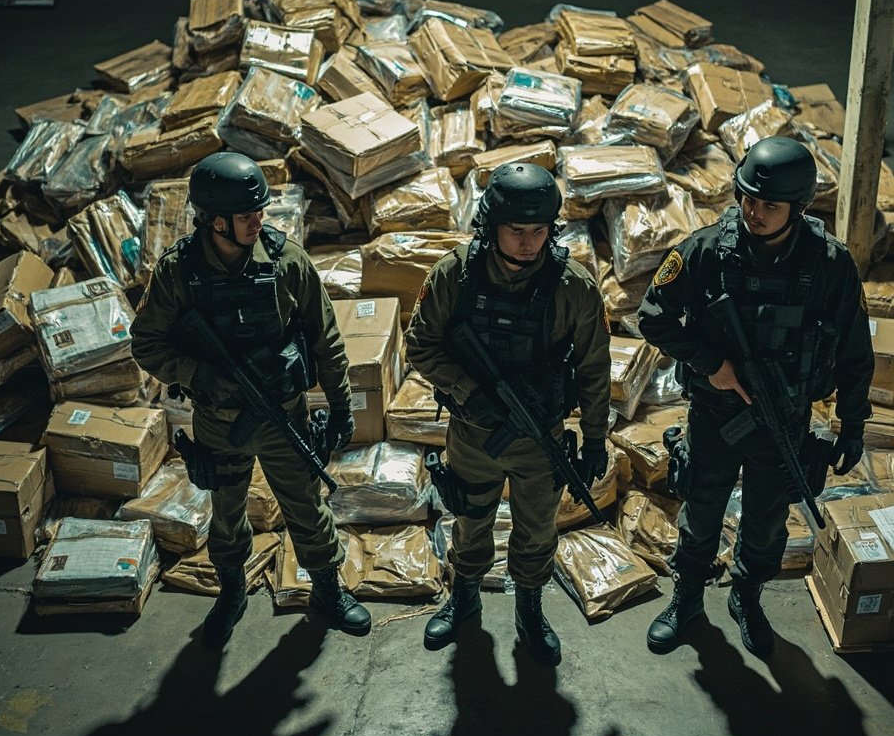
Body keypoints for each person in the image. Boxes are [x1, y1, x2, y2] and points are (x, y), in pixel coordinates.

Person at [638, 136, 873, 657]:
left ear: (798, 207)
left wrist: (852, 424)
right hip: (714, 416)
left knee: (766, 524)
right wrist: (711, 364)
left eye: (770, 205)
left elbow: (856, 353)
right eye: (748, 198)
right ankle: (688, 597)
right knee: (699, 512)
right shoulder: (704, 250)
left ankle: (747, 595)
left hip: (784, 419)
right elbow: (652, 316)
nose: (755, 212)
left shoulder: (830, 265)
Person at [131, 151, 370, 648]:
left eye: (260, 212)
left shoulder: (286, 261)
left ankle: (326, 588)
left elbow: (325, 336)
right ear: (215, 220)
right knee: (227, 511)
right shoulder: (179, 272)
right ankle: (232, 591)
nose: (258, 222)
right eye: (246, 216)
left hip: (283, 412)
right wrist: (197, 373)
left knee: (304, 503)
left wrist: (342, 406)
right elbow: (147, 343)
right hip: (219, 421)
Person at [405, 162, 612, 665]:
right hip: (474, 433)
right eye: (516, 231)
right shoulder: (455, 274)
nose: (527, 242)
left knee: (537, 527)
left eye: (538, 230)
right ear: (491, 226)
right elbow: (420, 346)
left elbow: (594, 369)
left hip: (539, 437)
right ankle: (465, 598)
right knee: (470, 518)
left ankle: (530, 608)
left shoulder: (574, 287)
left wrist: (595, 439)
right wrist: (469, 391)